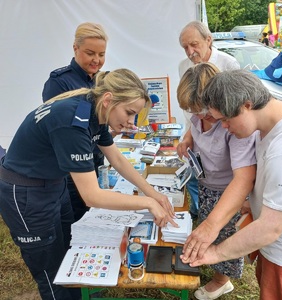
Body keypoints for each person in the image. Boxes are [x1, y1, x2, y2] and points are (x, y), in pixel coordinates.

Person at [0, 68, 177, 300]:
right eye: (130, 112)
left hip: (53, 183)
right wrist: (147, 203)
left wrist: (153, 193)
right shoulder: (73, 123)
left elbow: (118, 160)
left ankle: (79, 294)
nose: (131, 121)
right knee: (51, 272)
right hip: (26, 195)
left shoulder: (96, 110)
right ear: (108, 100)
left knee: (68, 251)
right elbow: (92, 196)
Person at [181, 69, 282, 300]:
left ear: (246, 105)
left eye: (225, 119)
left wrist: (216, 252)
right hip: (274, 250)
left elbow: (270, 227)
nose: (223, 126)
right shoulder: (270, 124)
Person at [177, 63, 256, 300]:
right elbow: (193, 126)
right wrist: (187, 139)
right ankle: (214, 266)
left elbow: (243, 177)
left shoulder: (232, 125)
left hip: (228, 191)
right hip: (207, 183)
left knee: (226, 235)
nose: (200, 116)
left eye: (205, 111)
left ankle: (223, 281)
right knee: (208, 226)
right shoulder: (198, 116)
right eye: (194, 111)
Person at [42, 22, 108, 222]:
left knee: (96, 213)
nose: (96, 60)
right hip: (72, 167)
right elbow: (64, 129)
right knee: (76, 217)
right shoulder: (59, 82)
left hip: (96, 157)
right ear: (75, 48)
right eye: (90, 53)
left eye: (102, 54)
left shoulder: (101, 80)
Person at [178, 20, 240, 220]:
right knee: (199, 175)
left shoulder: (228, 64)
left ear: (208, 40)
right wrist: (189, 135)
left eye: (194, 44)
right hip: (197, 134)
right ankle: (198, 211)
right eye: (185, 47)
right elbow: (192, 109)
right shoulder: (183, 67)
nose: (190, 51)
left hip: (225, 142)